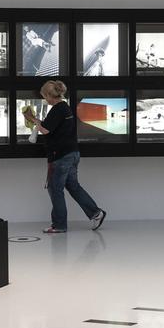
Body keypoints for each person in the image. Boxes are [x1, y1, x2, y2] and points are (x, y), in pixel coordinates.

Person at [22, 80, 106, 234]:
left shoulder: (57, 109)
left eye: (44, 97)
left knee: (55, 189)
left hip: (60, 156)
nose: (45, 100)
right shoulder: (64, 108)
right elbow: (50, 126)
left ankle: (59, 225)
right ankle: (95, 213)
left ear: (49, 95)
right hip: (72, 153)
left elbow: (46, 130)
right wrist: (35, 120)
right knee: (73, 186)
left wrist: (31, 118)